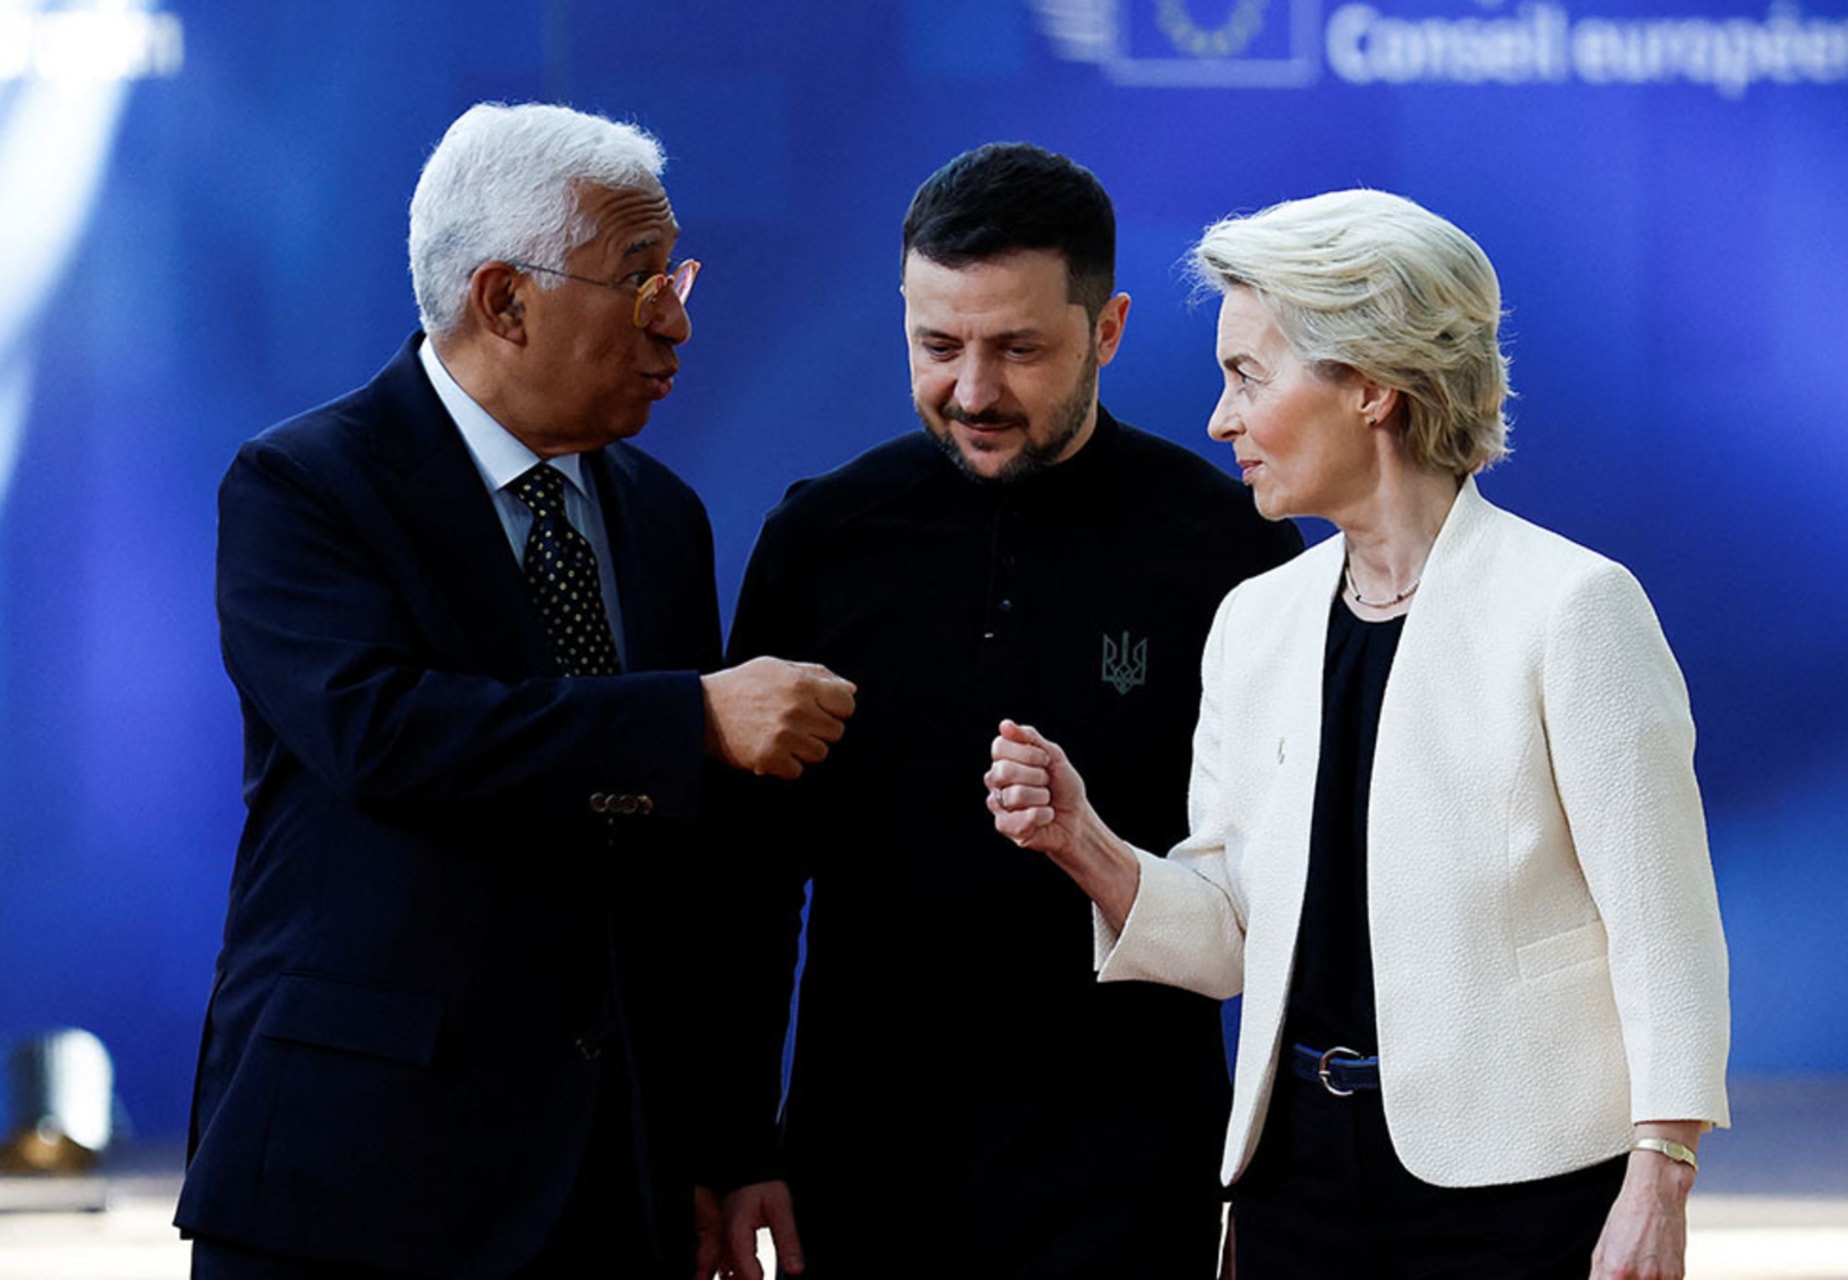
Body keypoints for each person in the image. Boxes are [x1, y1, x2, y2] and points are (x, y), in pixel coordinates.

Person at [985, 189, 1731, 1280]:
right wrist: (1083, 840)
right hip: (1295, 1183)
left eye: (1248, 375)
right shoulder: (1255, 622)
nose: (1220, 419)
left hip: (1523, 1195)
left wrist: (1661, 1170)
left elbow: (1666, 930)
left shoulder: (1573, 607)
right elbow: (1233, 935)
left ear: (1373, 384)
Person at [176, 102, 855, 1280]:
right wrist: (688, 716)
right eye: (640, 281)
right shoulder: (304, 485)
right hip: (356, 1181)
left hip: (609, 1188)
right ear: (505, 300)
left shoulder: (661, 516)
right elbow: (381, 731)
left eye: (676, 276)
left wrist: (726, 1139)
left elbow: (691, 880)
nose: (677, 321)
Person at [711, 143, 1302, 1280]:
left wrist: (1270, 1180)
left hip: (1134, 1166)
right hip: (859, 1160)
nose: (974, 391)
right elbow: (748, 881)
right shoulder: (821, 541)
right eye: (938, 346)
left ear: (1108, 329)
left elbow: (1278, 895)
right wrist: (735, 1147)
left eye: (1019, 349)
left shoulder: (1230, 552)